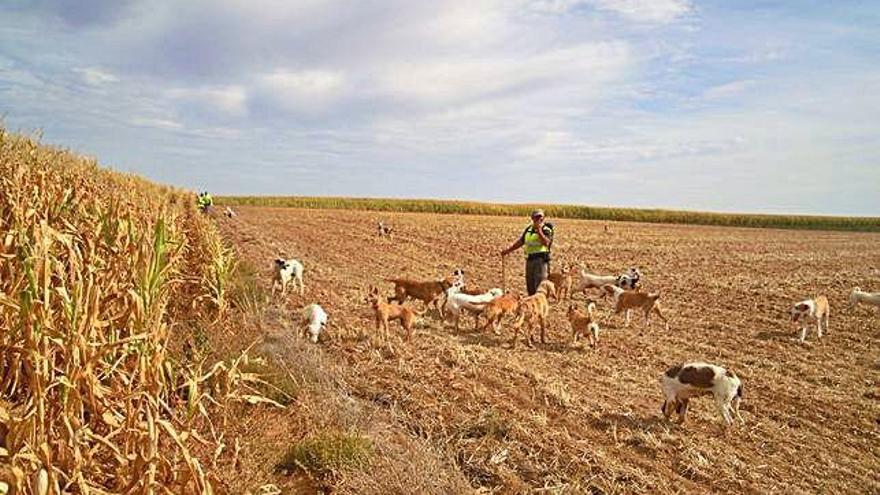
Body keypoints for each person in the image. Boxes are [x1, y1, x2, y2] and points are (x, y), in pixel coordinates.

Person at [500, 209, 554, 295]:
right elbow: (521, 241)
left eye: (540, 217)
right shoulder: (529, 229)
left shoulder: (546, 229)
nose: (538, 219)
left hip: (541, 261)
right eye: (536, 217)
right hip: (530, 259)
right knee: (530, 285)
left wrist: (539, 230)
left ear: (543, 218)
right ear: (532, 218)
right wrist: (507, 250)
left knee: (540, 286)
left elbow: (546, 243)